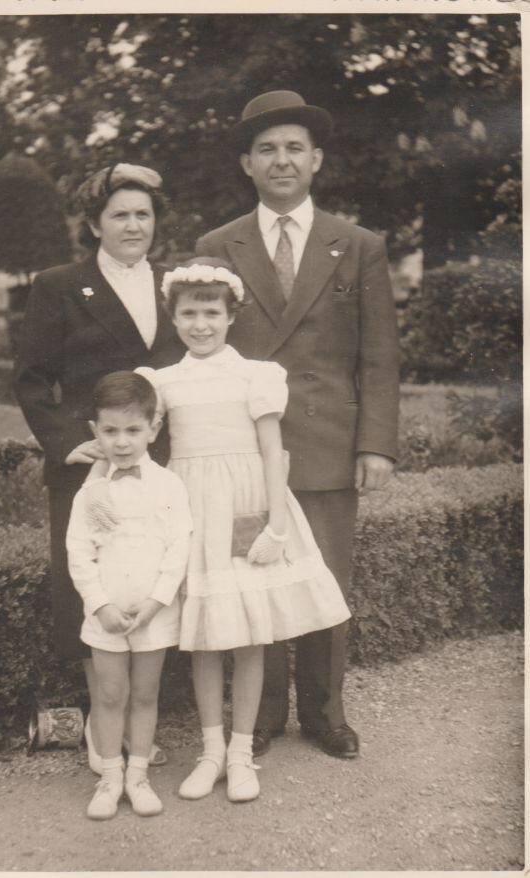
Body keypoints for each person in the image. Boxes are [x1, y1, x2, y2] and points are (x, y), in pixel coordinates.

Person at [195, 91, 400, 760]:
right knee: (251, 578)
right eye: (266, 150)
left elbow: (378, 356)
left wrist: (374, 444)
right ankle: (257, 717)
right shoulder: (217, 245)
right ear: (246, 164)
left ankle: (323, 713)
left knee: (326, 584)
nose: (280, 160)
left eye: (293, 148)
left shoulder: (359, 245)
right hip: (244, 448)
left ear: (315, 160)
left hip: (326, 444)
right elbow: (202, 345)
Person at [136, 257, 350, 803]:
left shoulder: (255, 375)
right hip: (194, 512)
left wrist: (277, 525)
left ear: (231, 317)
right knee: (205, 636)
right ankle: (210, 753)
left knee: (252, 633)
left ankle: (240, 752)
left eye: (211, 312)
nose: (200, 324)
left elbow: (271, 452)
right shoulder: (163, 382)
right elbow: (135, 441)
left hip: (247, 506)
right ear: (174, 318)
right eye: (189, 313)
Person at [14, 163, 185, 773]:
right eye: (120, 214)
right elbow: (33, 380)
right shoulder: (61, 284)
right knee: (96, 588)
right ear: (94, 224)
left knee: (155, 580)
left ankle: (141, 726)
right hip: (90, 467)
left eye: (143, 214)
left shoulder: (175, 283)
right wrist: (66, 443)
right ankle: (101, 727)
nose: (133, 225)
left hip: (162, 465)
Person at [66, 371, 192, 819]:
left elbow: (179, 548)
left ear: (153, 430)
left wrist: (157, 601)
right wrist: (100, 606)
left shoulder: (170, 486)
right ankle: (110, 778)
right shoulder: (93, 493)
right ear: (95, 432)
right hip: (106, 616)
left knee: (145, 693)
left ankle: (138, 776)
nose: (122, 442)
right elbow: (79, 553)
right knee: (109, 695)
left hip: (152, 614)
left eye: (133, 430)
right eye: (111, 431)